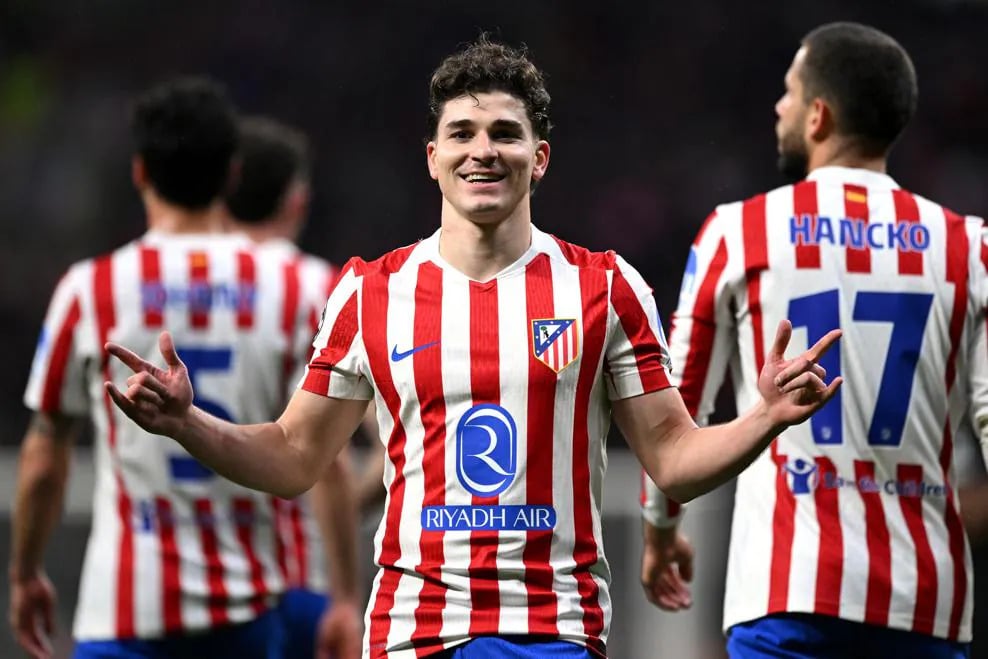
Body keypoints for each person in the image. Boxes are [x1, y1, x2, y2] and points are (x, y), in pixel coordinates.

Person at [104, 37, 840, 658]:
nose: (482, 151)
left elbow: (673, 457)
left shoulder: (604, 286)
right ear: (432, 157)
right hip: (411, 634)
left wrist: (764, 417)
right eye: (461, 134)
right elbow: (295, 455)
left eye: (504, 134)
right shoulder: (369, 291)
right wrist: (186, 422)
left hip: (551, 631)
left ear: (539, 157)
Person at [640, 22, 988, 659]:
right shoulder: (968, 245)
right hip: (924, 600)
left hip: (786, 593)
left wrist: (660, 531)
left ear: (818, 115)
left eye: (789, 92)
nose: (780, 107)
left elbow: (677, 407)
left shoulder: (737, 232)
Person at [7, 77, 350, 659]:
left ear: (139, 171)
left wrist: (24, 573)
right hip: (248, 612)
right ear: (232, 174)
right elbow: (322, 454)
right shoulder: (297, 289)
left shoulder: (89, 290)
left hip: (124, 614)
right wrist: (342, 594)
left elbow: (45, 456)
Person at [224, 114, 363, 659]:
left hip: (170, 582)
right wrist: (347, 588)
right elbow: (375, 445)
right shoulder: (318, 289)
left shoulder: (155, 284)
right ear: (297, 200)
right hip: (293, 581)